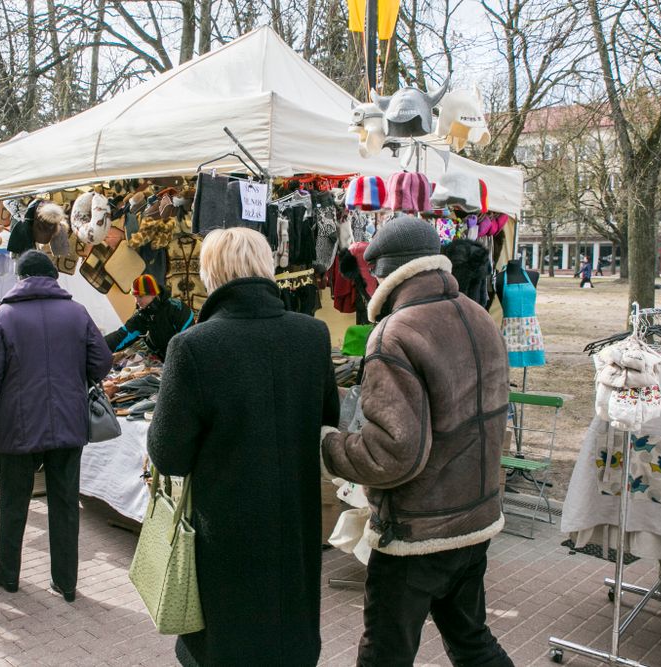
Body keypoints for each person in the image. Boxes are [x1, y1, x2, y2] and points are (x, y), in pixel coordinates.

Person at [321, 216, 514, 667]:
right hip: (476, 519)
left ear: (384, 273)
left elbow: (392, 454)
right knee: (473, 641)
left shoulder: (395, 333)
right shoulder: (479, 316)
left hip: (416, 533)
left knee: (385, 656)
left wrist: (329, 445)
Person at [147, 228, 340, 667]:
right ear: (266, 267)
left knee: (227, 644)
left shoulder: (193, 346)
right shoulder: (312, 335)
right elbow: (327, 419)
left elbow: (168, 455)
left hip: (226, 531)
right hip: (295, 523)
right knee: (290, 641)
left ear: (211, 273)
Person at [0, 250, 112, 600]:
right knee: (64, 504)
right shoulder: (76, 312)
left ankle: (9, 574)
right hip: (68, 422)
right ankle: (66, 582)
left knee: (13, 502)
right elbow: (102, 362)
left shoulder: (4, 316)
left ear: (20, 278)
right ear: (54, 278)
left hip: (17, 426)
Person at [104, 274, 194, 359]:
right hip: (165, 360)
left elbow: (189, 340)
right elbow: (121, 336)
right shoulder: (142, 315)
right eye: (135, 296)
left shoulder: (177, 309)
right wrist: (98, 346)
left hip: (187, 358)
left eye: (140, 296)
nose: (137, 301)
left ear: (153, 294)